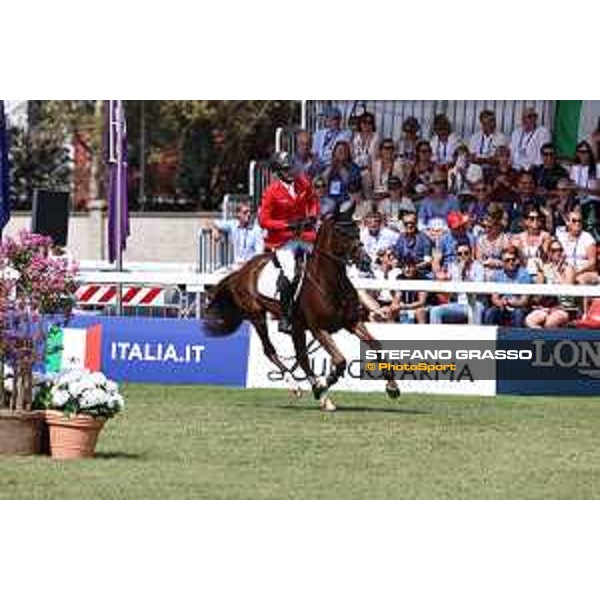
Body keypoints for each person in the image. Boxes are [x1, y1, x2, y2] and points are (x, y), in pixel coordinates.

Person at [258, 151, 319, 333]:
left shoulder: (303, 182)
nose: (292, 171)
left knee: (325, 259)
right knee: (291, 273)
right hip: (282, 240)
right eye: (287, 169)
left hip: (305, 235)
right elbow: (264, 220)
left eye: (292, 167)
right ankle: (285, 317)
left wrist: (313, 216)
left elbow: (313, 201)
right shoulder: (271, 192)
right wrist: (286, 225)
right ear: (278, 172)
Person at [525, 238, 576, 329]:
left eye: (560, 250)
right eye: (554, 250)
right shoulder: (546, 268)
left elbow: (568, 290)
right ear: (549, 253)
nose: (558, 253)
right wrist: (539, 277)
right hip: (547, 306)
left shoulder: (568, 268)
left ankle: (550, 341)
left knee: (550, 323)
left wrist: (557, 273)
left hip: (564, 307)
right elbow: (540, 293)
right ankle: (542, 340)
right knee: (529, 320)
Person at [429, 242, 484, 325]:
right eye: (459, 254)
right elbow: (450, 291)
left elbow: (478, 290)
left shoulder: (478, 267)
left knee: (476, 309)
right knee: (435, 311)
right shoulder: (453, 267)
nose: (463, 256)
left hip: (475, 302)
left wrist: (464, 273)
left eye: (466, 253)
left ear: (471, 253)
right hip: (458, 304)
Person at [483, 246, 530, 327]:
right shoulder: (497, 275)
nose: (511, 262)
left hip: (518, 307)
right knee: (490, 313)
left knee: (518, 313)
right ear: (502, 262)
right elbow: (494, 298)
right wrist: (501, 303)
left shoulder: (524, 274)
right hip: (502, 306)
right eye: (507, 260)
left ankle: (515, 338)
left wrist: (512, 303)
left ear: (517, 260)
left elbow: (524, 300)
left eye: (513, 259)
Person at [212, 201, 264, 266]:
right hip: (236, 266)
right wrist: (215, 230)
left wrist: (247, 262)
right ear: (238, 214)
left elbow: (259, 254)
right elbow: (214, 223)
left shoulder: (256, 230)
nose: (248, 214)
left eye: (250, 212)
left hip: (251, 266)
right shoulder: (233, 225)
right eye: (245, 212)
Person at [556, 208, 598, 284]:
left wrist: (577, 271)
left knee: (580, 278)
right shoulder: (562, 237)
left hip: (584, 272)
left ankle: (567, 295)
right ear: (567, 222)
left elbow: (592, 263)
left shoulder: (587, 237)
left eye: (579, 221)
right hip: (567, 271)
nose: (577, 223)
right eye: (574, 221)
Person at [320, 140, 362, 216]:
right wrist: (331, 167)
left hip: (346, 198)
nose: (342, 153)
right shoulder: (328, 166)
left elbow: (350, 183)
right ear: (334, 152)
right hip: (329, 198)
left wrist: (340, 167)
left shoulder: (353, 167)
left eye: (345, 151)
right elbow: (322, 181)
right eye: (339, 150)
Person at [417, 171, 460, 238]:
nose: (440, 185)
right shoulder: (426, 201)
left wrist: (445, 231)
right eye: (436, 183)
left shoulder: (453, 199)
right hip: (429, 232)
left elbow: (456, 220)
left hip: (448, 232)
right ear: (432, 185)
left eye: (443, 182)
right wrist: (428, 232)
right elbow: (420, 222)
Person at [512, 204, 550, 277]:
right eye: (532, 218)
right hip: (523, 271)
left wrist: (541, 249)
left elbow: (545, 259)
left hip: (540, 271)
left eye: (538, 218)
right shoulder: (518, 237)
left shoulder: (545, 236)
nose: (535, 221)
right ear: (525, 221)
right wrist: (519, 249)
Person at [476, 203, 511, 281]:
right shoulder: (481, 240)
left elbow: (508, 260)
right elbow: (479, 259)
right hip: (484, 272)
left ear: (497, 226)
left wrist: (495, 263)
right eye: (484, 226)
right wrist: (486, 263)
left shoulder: (505, 239)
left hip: (501, 272)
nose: (486, 229)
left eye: (490, 227)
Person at [433, 211, 476, 276]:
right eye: (457, 228)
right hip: (448, 269)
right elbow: (436, 261)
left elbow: (473, 258)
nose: (460, 229)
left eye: (461, 226)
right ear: (450, 228)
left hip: (466, 269)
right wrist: (439, 273)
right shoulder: (444, 239)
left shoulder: (470, 238)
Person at [509, 106, 551, 170]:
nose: (524, 120)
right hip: (515, 168)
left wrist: (533, 167)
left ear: (535, 118)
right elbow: (511, 150)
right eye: (523, 117)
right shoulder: (516, 132)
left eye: (528, 117)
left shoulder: (543, 132)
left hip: (533, 169)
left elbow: (543, 155)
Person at [394, 211, 433, 278]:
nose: (409, 225)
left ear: (416, 223)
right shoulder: (400, 238)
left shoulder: (425, 239)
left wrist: (414, 268)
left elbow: (427, 262)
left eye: (412, 223)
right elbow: (397, 258)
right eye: (406, 223)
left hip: (421, 272)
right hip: (404, 270)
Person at [389, 259, 428, 324]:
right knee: (391, 309)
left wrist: (405, 306)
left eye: (410, 267)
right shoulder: (399, 278)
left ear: (415, 267)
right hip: (406, 305)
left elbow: (422, 302)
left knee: (420, 312)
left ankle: (422, 333)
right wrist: (397, 304)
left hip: (424, 306)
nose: (407, 269)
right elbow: (398, 295)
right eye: (404, 267)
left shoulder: (422, 279)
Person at [351, 112, 380, 177]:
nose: (367, 124)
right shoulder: (355, 136)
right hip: (355, 169)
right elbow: (352, 156)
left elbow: (376, 158)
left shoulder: (376, 138)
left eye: (370, 122)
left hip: (368, 170)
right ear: (360, 123)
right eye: (364, 122)